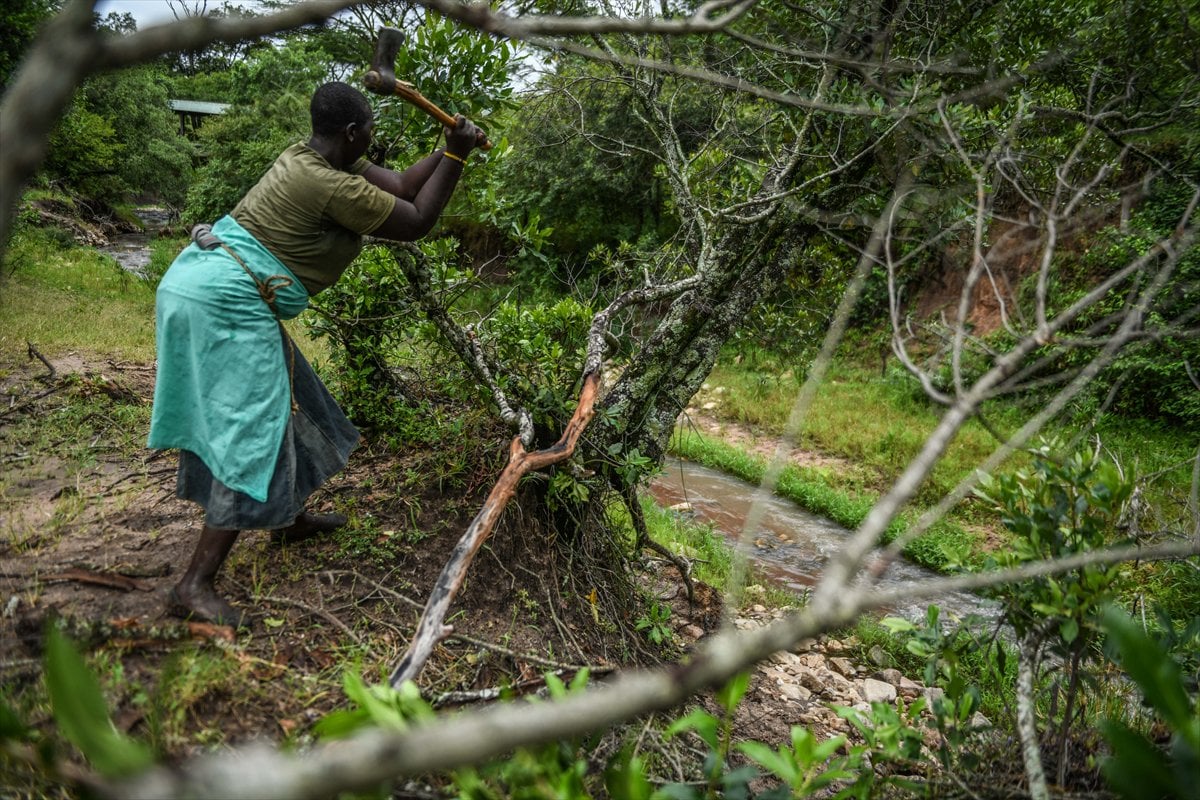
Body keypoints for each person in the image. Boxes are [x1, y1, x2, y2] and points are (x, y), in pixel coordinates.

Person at [148, 81, 483, 629]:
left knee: (288, 396)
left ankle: (286, 516)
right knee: (249, 426)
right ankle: (194, 585)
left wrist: (449, 146)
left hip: (205, 282)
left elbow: (402, 184)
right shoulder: (330, 185)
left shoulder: (311, 156)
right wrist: (458, 157)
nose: (372, 138)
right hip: (225, 299)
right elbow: (417, 219)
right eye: (369, 130)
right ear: (351, 133)